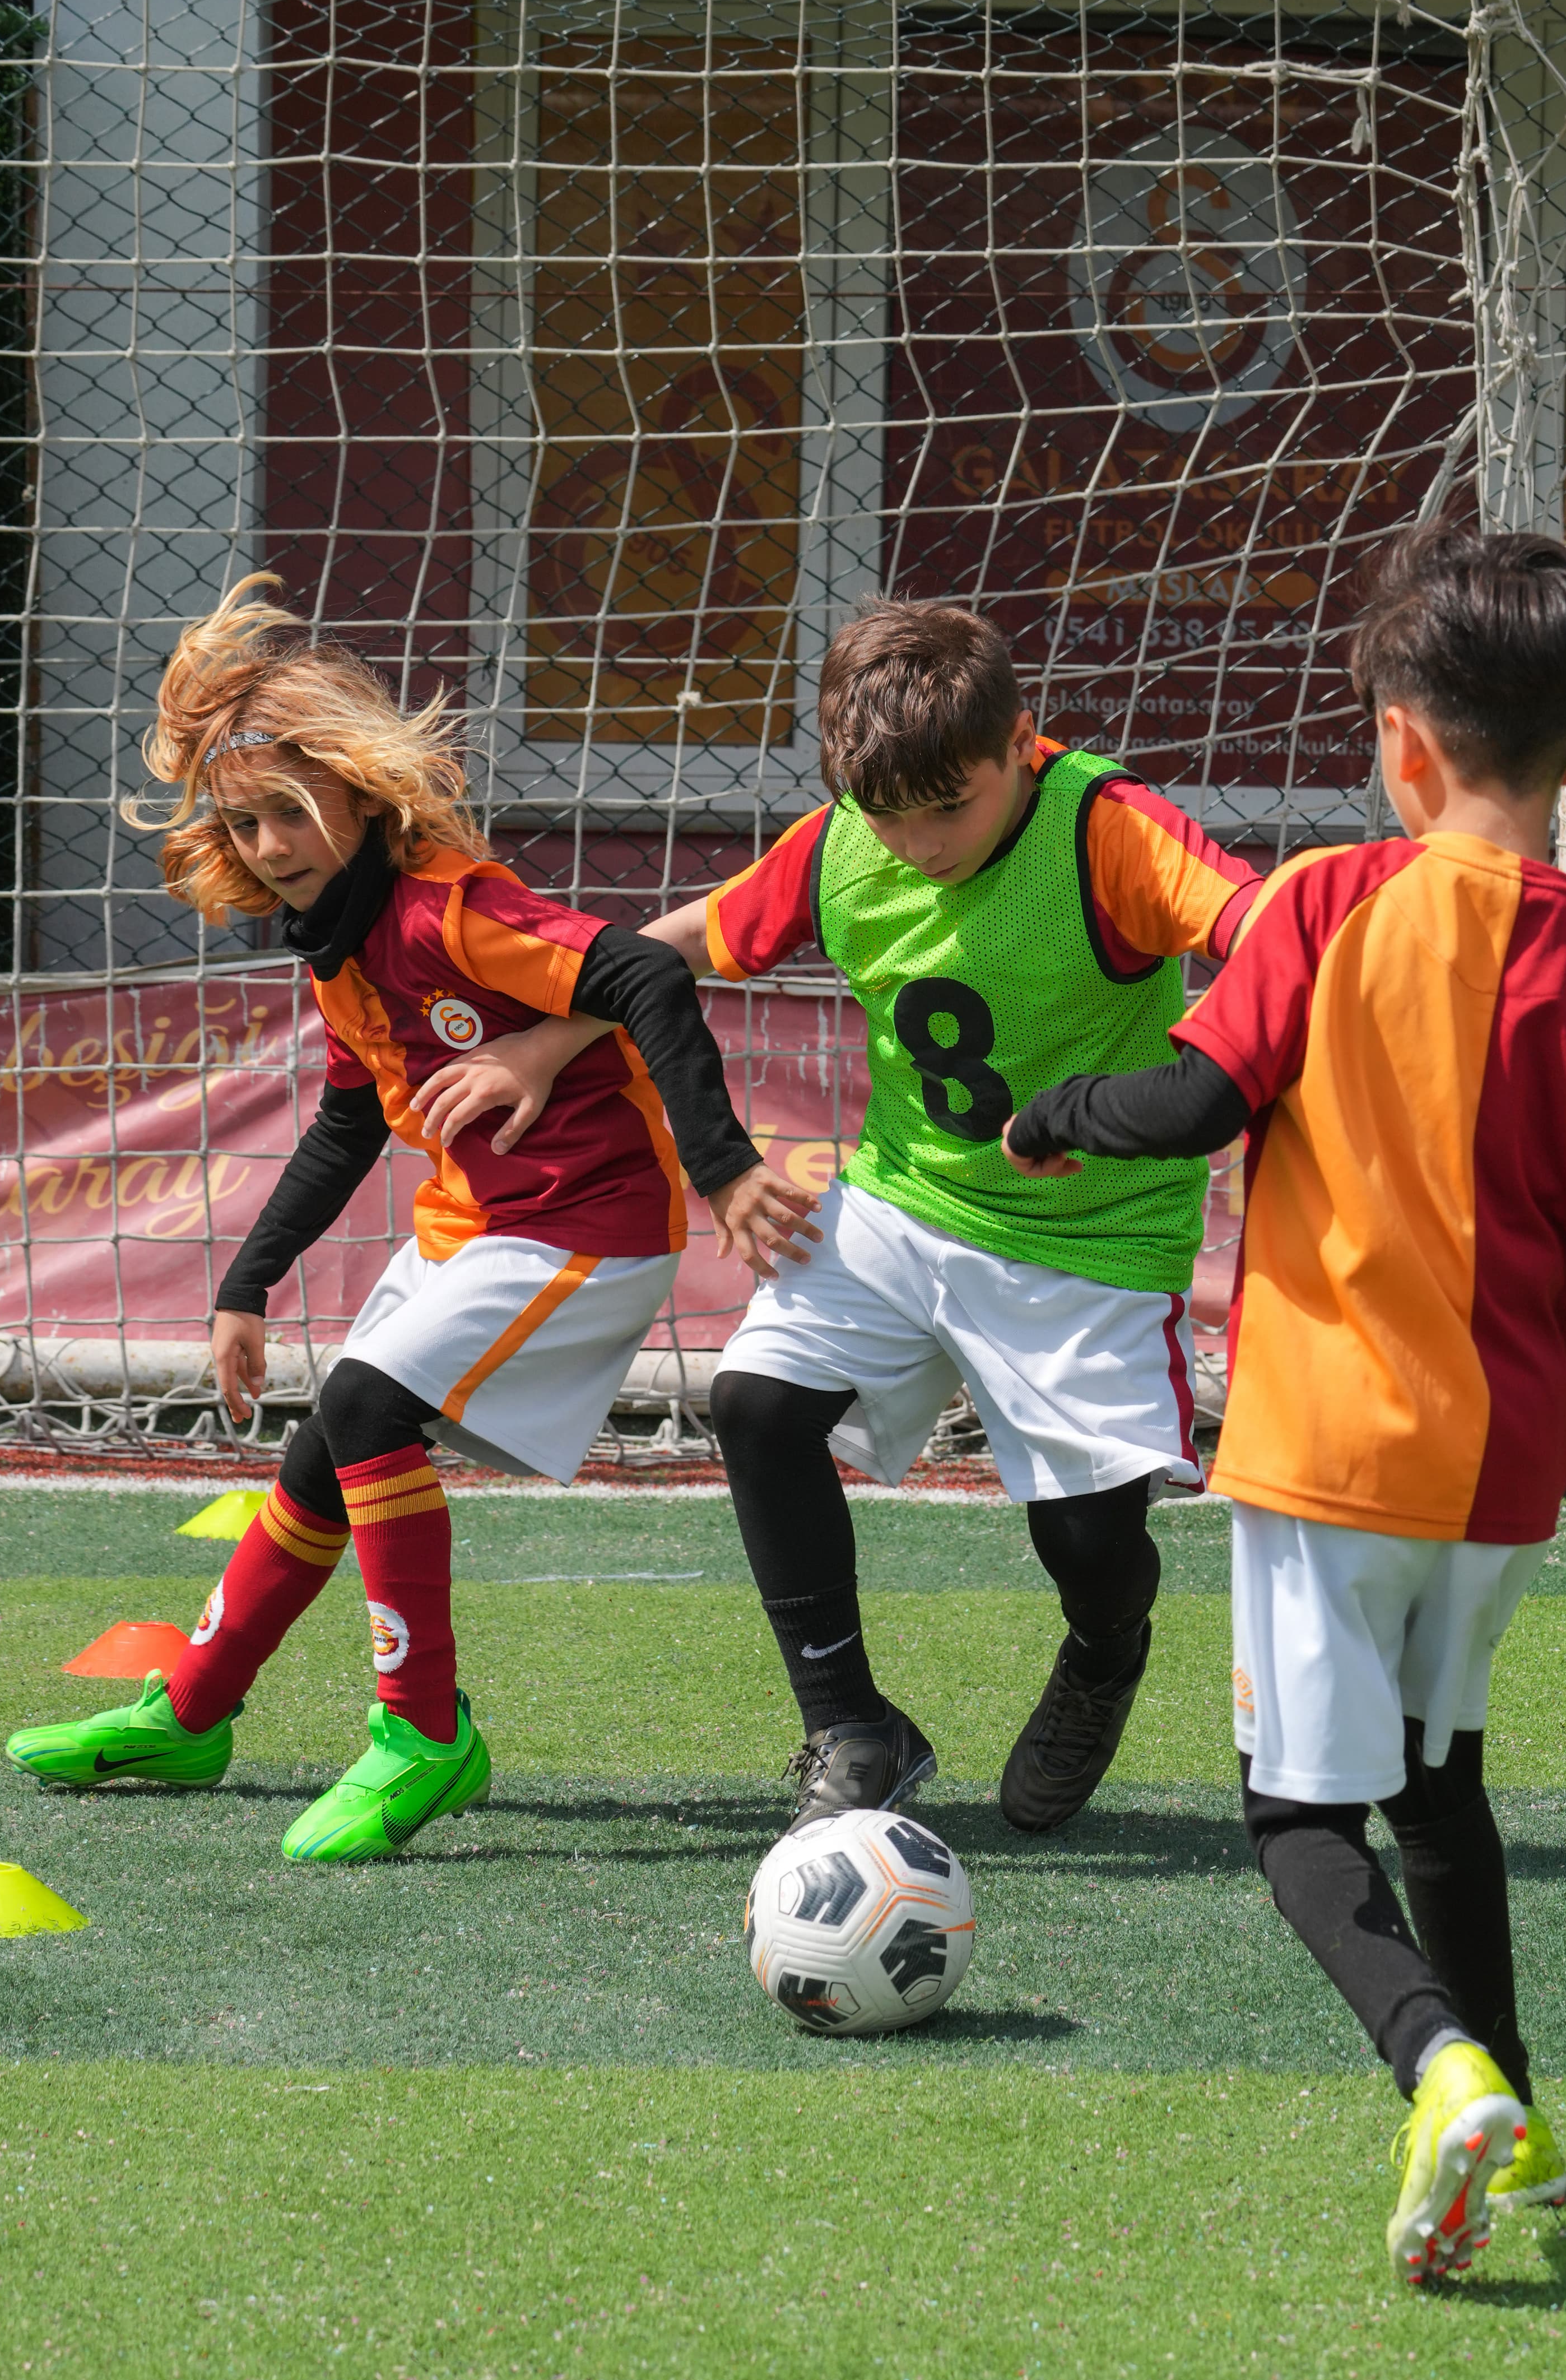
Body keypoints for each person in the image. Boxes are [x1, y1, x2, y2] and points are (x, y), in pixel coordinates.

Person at [1004, 525, 1566, 2288]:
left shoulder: (1323, 902)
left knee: (1294, 1820)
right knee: (1439, 1784)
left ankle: (1443, 2069)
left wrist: (1056, 1114)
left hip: (1325, 1449)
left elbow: (1189, 1109)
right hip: (1499, 1471)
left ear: (1399, 742)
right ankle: (1531, 2128)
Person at [6, 577, 813, 1861]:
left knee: (372, 1406)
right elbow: (347, 1119)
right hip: (470, 1222)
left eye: (287, 811)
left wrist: (720, 1168)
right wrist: (247, 1285)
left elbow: (649, 971)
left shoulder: (454, 907)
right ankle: (193, 1711)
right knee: (327, 1447)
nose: (268, 843)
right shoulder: (339, 939)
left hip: (583, 1223)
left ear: (360, 791)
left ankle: (422, 1734)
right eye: (244, 822)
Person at [536, 598, 1263, 1829]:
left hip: (1088, 1241)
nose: (917, 843)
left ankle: (1102, 1651)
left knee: (1085, 1540)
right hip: (900, 1203)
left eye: (951, 806)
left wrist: (1182, 1084)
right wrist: (544, 1045)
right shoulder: (838, 846)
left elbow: (1266, 937)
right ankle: (852, 1728)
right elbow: (672, 946)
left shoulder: (1108, 831)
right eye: (887, 813)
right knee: (754, 1403)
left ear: (1020, 744)